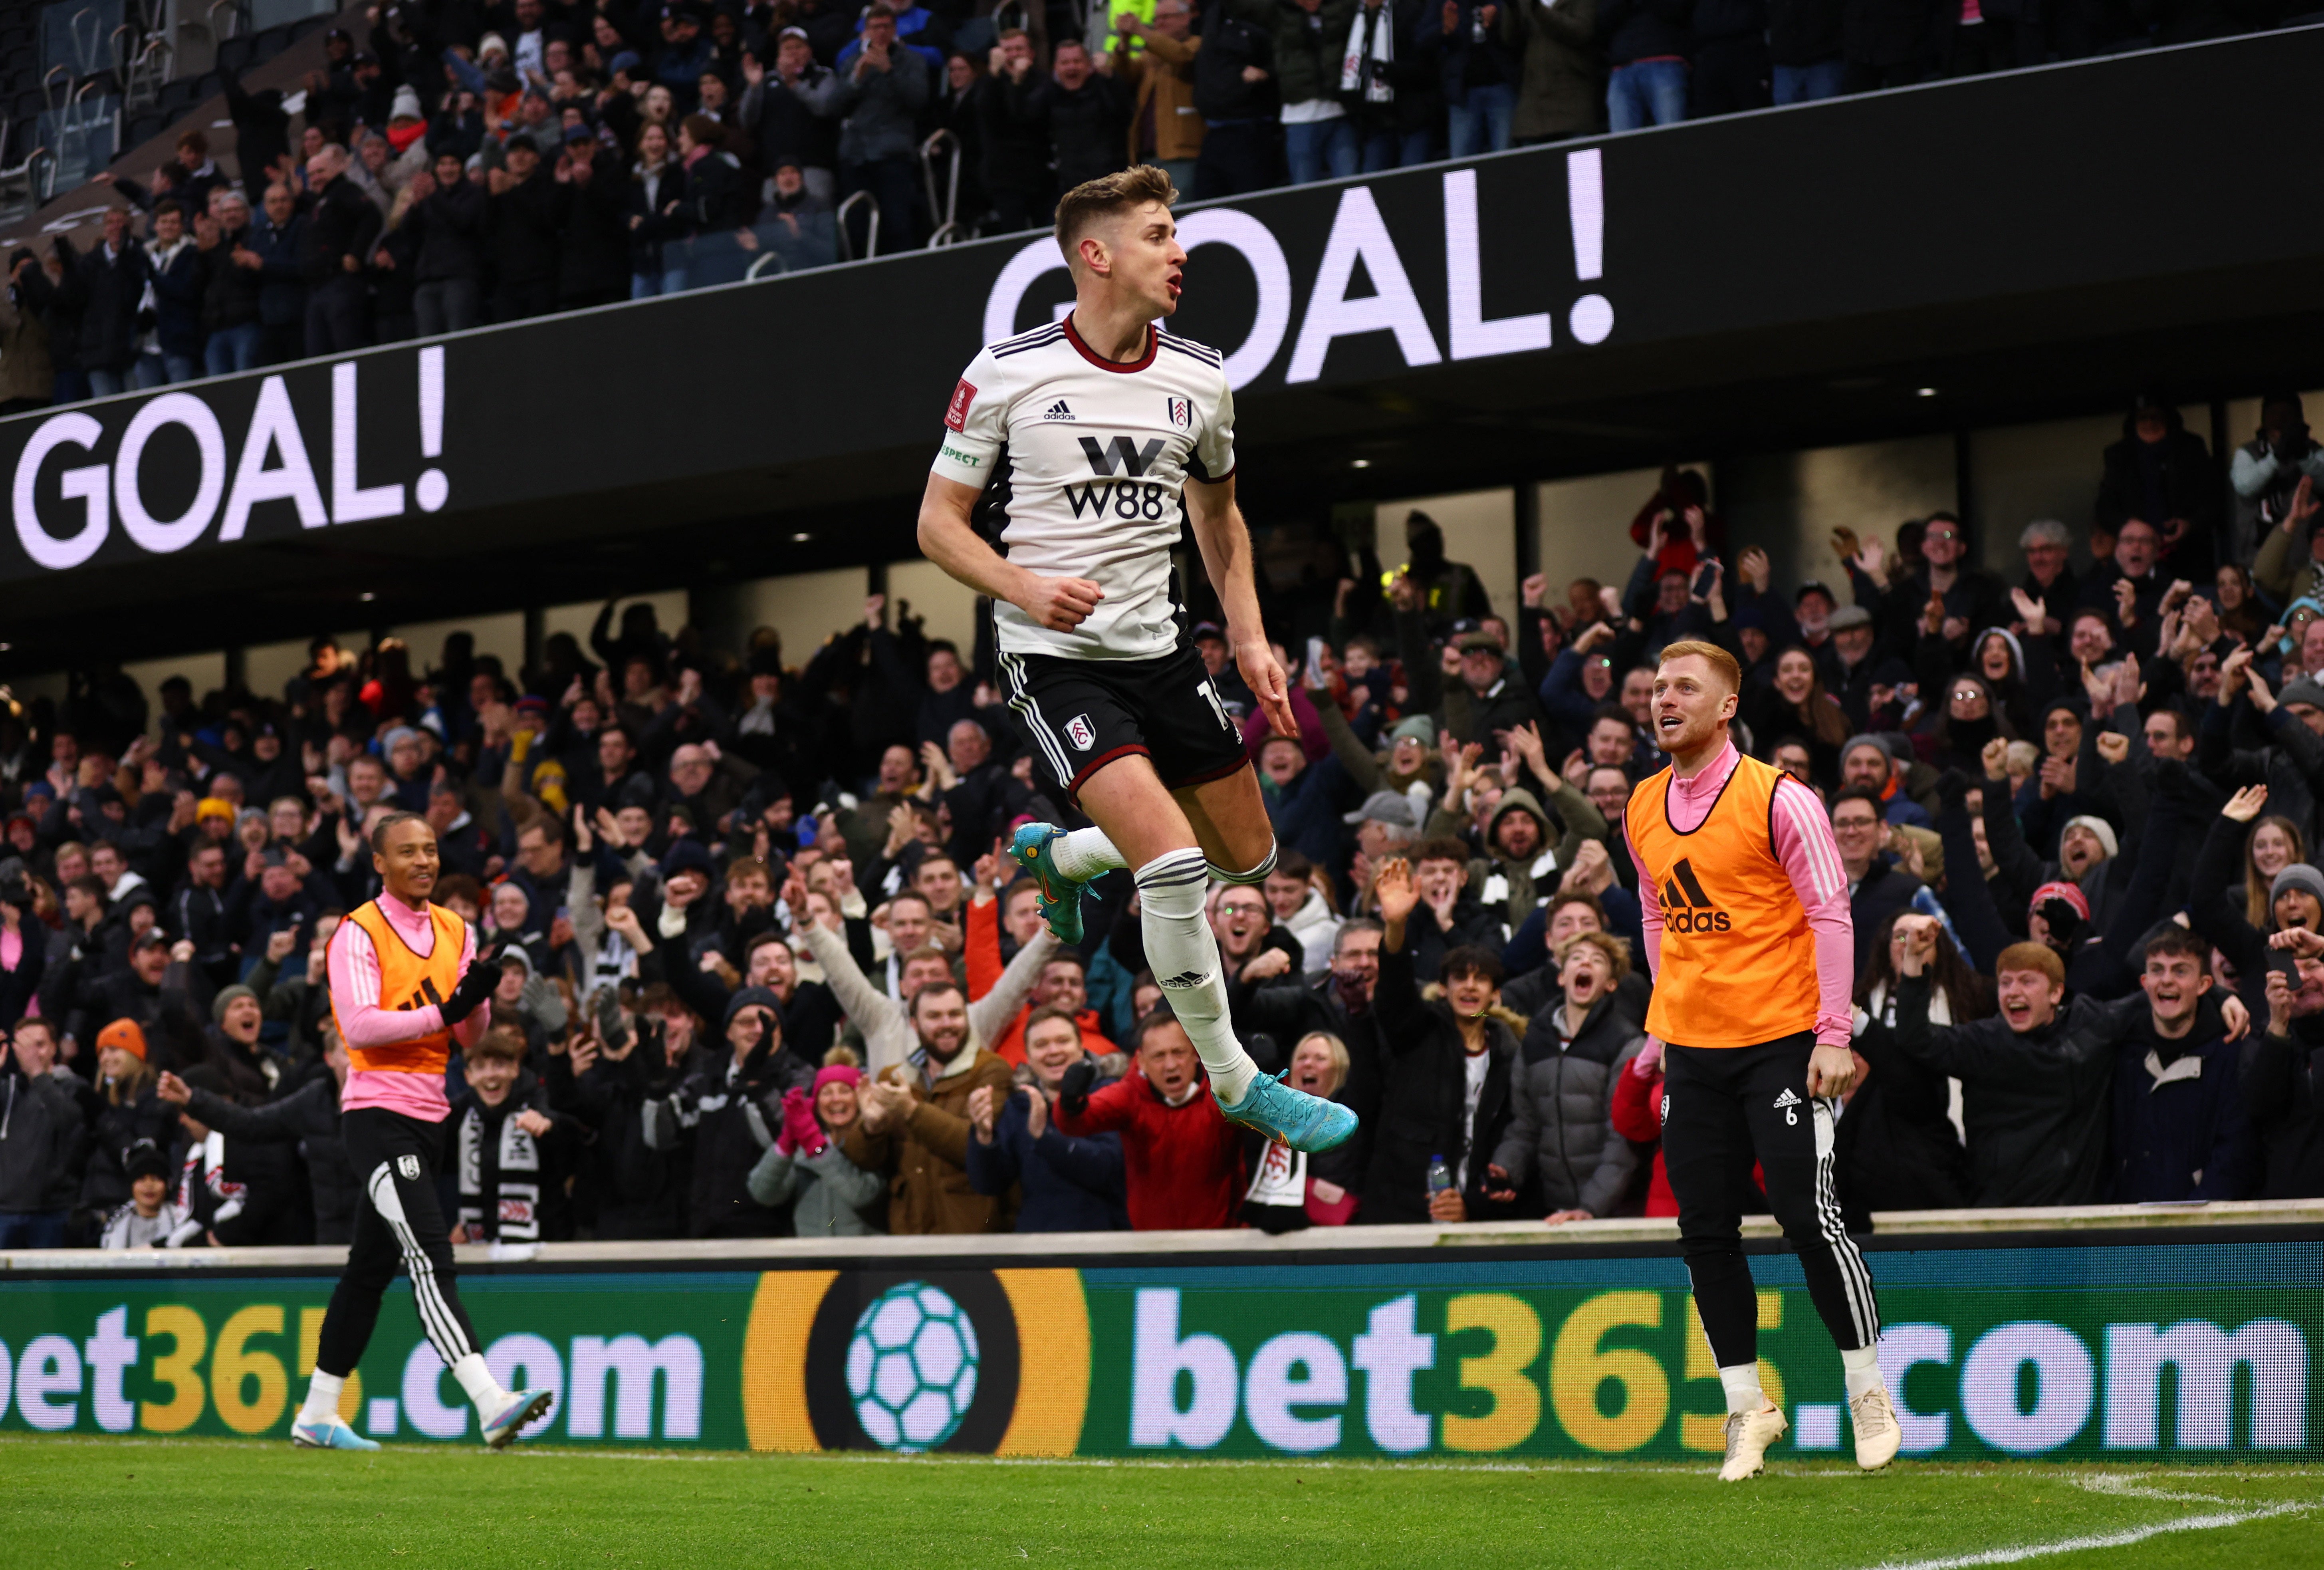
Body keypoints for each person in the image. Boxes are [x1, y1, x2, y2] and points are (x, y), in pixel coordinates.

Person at [917, 164, 1352, 1157]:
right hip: (1054, 657)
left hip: (1160, 651)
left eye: (1175, 232)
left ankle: (1061, 853)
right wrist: (1023, 588)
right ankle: (1239, 1077)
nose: (1179, 250)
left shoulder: (1199, 375)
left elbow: (1219, 512)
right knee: (1173, 859)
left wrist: (1246, 632)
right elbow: (936, 525)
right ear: (1095, 254)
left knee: (1250, 853)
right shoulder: (1007, 372)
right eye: (1158, 234)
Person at [1621, 639, 1899, 1480]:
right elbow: (1656, 913)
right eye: (1658, 687)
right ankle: (1749, 1408)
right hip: (1694, 1049)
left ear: (1727, 705)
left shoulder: (1782, 799)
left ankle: (1867, 1391)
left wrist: (1833, 1035)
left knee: (1807, 1214)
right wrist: (1662, 1021)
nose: (1664, 699)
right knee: (1703, 1229)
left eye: (1685, 688)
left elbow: (1831, 914)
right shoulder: (1639, 804)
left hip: (1780, 1040)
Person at [285, 811, 551, 1453]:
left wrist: (478, 999)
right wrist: (449, 1006)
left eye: (431, 849)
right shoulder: (357, 931)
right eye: (408, 852)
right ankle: (490, 1400)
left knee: (368, 1270)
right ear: (379, 862)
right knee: (430, 1254)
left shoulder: (457, 928)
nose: (424, 860)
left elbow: (469, 1036)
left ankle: (318, 1413)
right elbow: (362, 1026)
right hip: (377, 1115)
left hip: (429, 1115)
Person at [1056, 1003, 1243, 1228]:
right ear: (1142, 1062)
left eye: (1179, 1053)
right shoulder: (1129, 1095)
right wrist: (1069, 1101)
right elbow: (1077, 1122)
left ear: (1196, 1053)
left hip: (1222, 1244)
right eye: (1159, 1057)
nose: (1171, 1065)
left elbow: (1277, 1115)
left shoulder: (1225, 1094)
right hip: (1153, 1246)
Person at [966, 1004, 1128, 1229]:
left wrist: (1046, 1137)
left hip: (1103, 1248)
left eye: (1063, 1041)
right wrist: (984, 1138)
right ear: (1029, 1057)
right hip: (1039, 1253)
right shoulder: (1019, 1106)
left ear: (1081, 1047)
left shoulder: (1110, 1095)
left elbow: (1107, 1171)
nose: (1053, 1051)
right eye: (1041, 1045)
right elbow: (989, 1185)